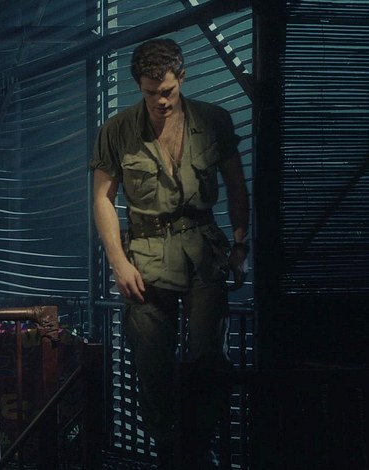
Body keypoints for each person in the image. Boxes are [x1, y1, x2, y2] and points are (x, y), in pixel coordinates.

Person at [90, 38, 249, 468]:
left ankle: (198, 450)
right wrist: (118, 262)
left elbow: (236, 183)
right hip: (146, 257)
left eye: (167, 91)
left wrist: (240, 243)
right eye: (150, 93)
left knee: (209, 361)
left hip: (203, 251)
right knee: (152, 367)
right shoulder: (118, 131)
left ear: (182, 77)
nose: (160, 101)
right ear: (138, 87)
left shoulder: (213, 120)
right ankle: (168, 452)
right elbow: (102, 197)